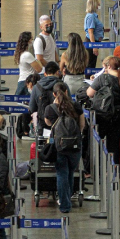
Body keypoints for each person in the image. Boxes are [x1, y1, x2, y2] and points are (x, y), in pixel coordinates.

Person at [44, 83, 84, 213]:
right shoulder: (76, 106)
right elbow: (82, 125)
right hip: (75, 146)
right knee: (70, 173)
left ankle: (65, 205)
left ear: (54, 94)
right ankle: (68, 198)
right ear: (67, 91)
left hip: (59, 146)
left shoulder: (50, 108)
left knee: (61, 173)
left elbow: (48, 124)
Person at [87, 56, 120, 161]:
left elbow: (89, 93)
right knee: (115, 142)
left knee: (99, 139)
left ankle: (101, 165)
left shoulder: (102, 78)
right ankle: (114, 167)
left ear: (108, 66)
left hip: (105, 114)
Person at [29, 61, 62, 132]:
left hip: (42, 124)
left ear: (45, 74)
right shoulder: (62, 85)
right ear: (57, 72)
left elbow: (32, 108)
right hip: (60, 124)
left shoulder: (36, 87)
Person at [84, 0, 104, 67]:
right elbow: (90, 32)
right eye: (98, 3)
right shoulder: (91, 17)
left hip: (94, 41)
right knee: (90, 65)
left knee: (92, 63)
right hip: (91, 42)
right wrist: (94, 46)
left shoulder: (94, 16)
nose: (99, 4)